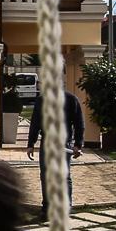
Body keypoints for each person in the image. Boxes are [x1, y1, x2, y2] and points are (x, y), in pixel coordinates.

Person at [26, 86, 85, 221]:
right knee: (45, 176)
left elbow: (79, 123)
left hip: (64, 142)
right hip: (47, 142)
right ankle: (47, 208)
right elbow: (35, 122)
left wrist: (78, 144)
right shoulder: (41, 100)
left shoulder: (71, 99)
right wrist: (30, 144)